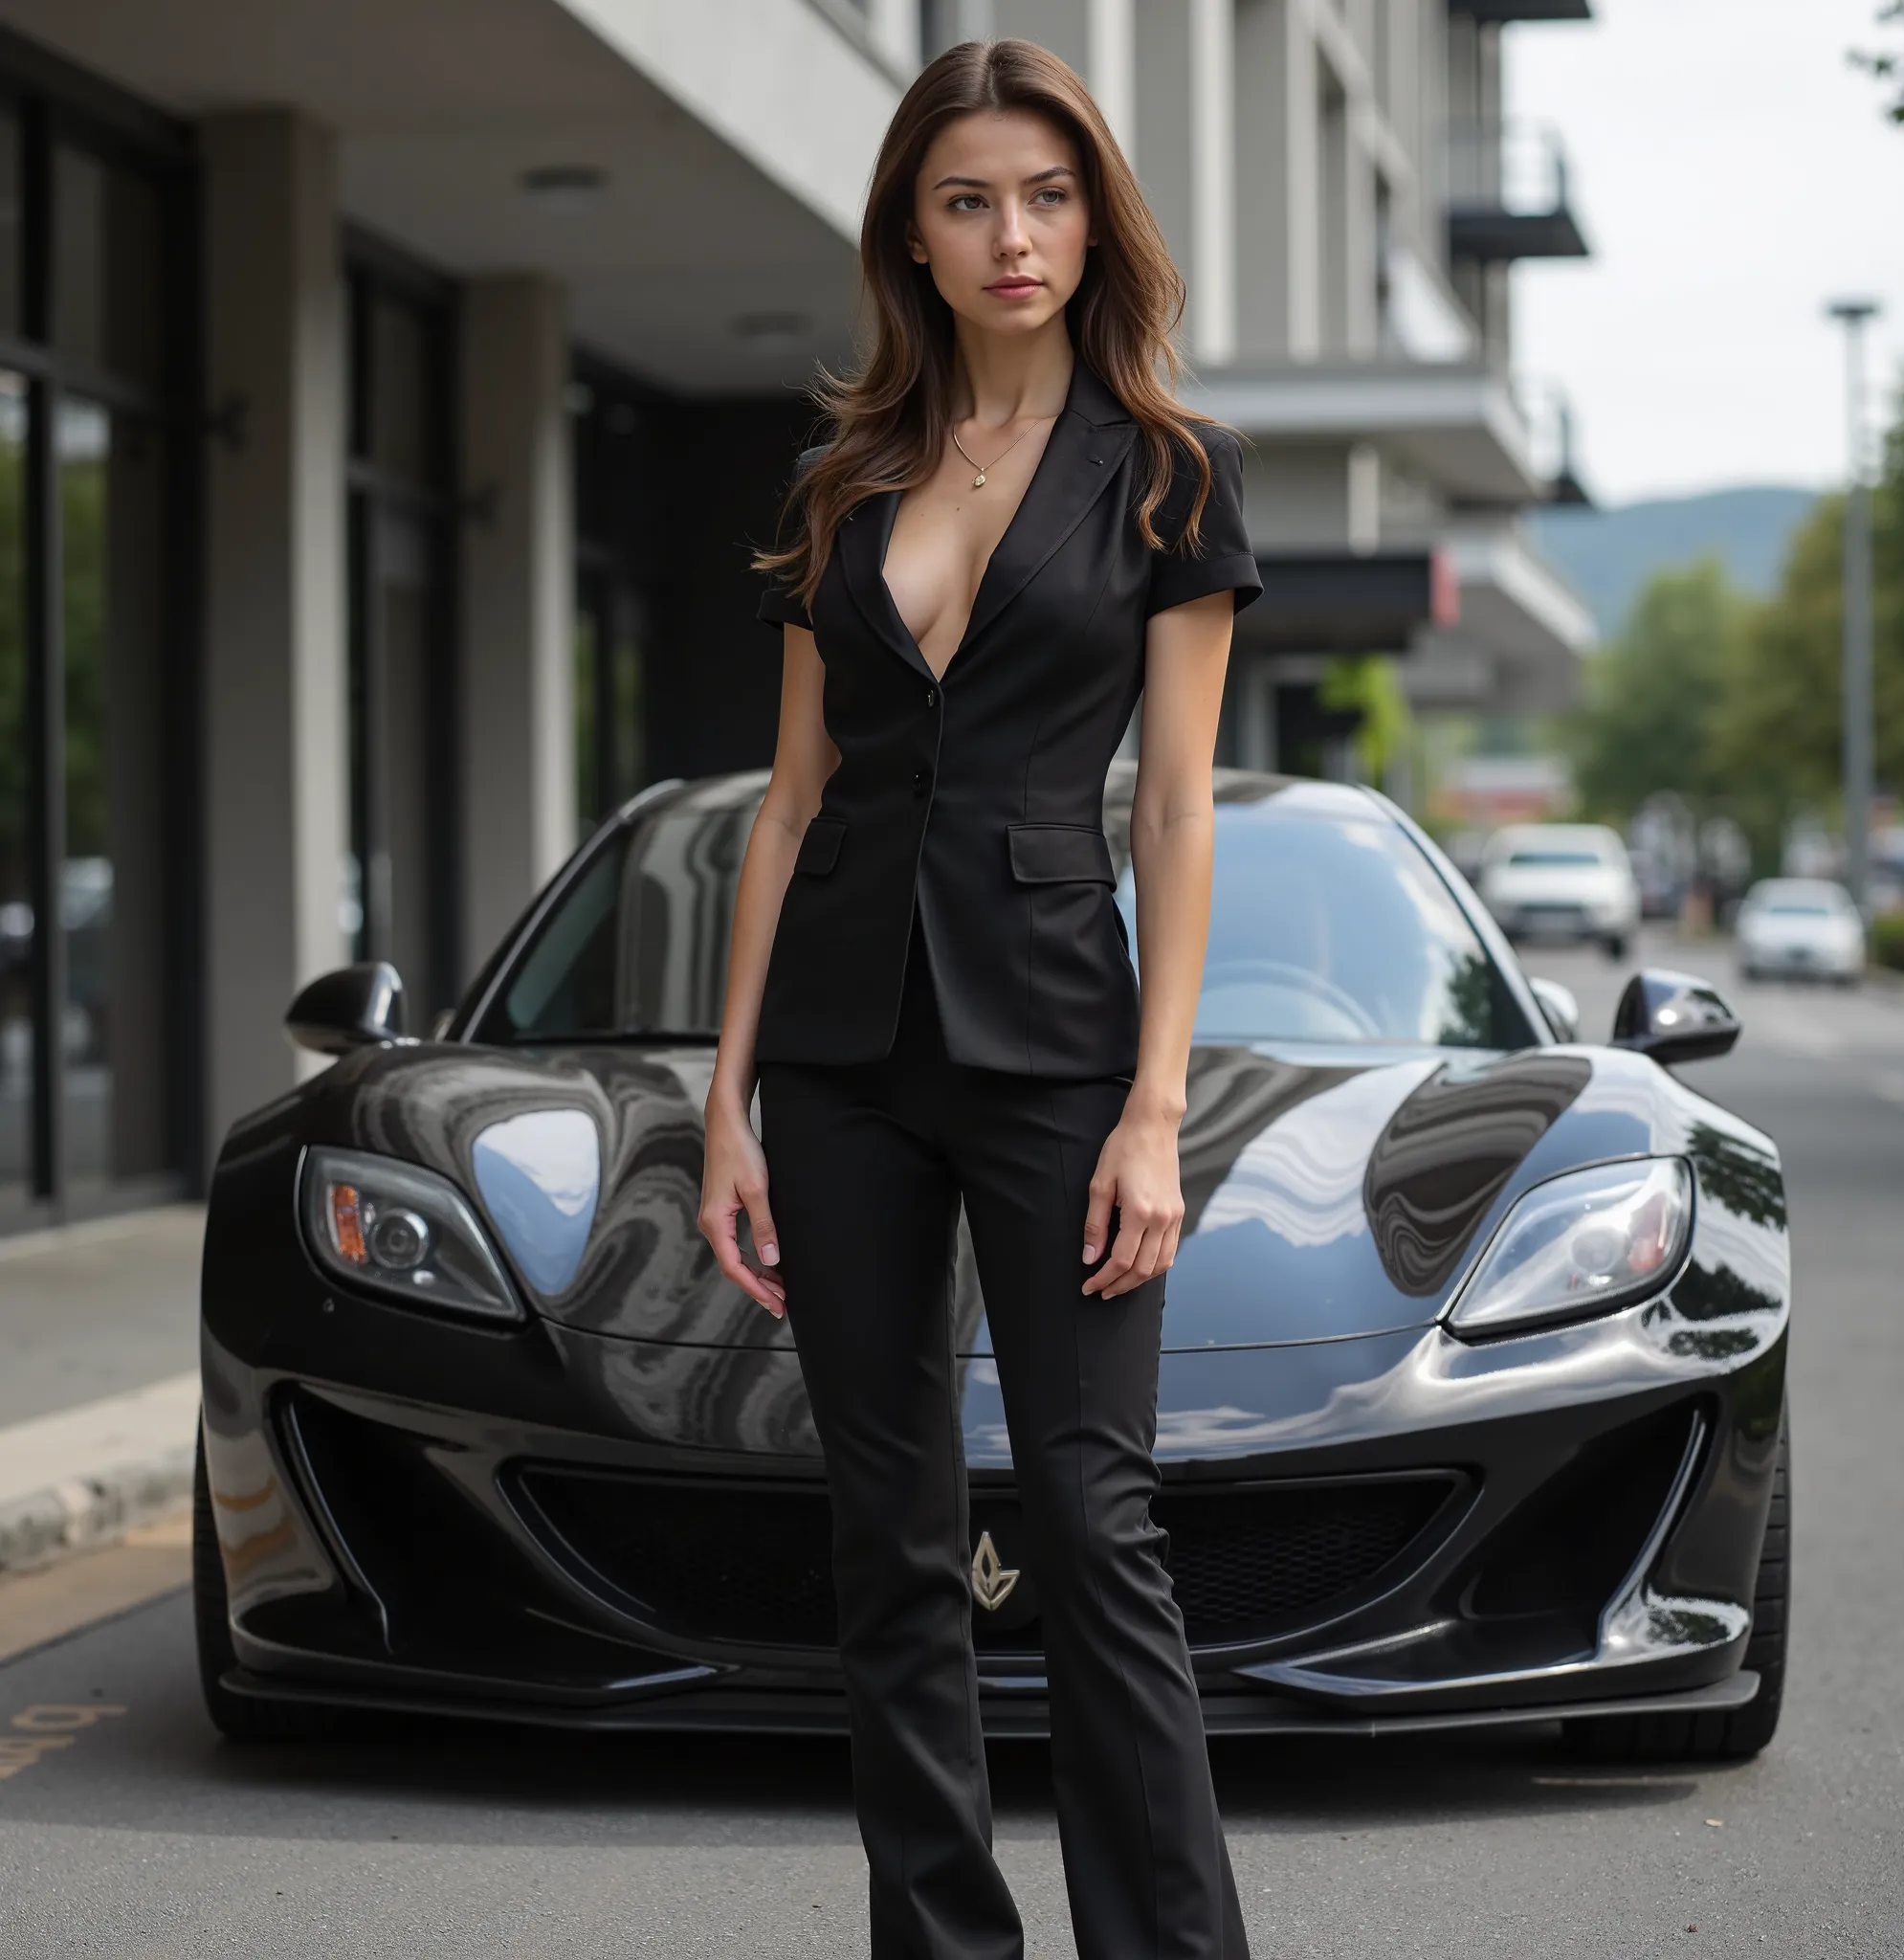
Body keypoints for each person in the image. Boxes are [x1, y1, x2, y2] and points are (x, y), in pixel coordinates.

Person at [697, 36, 1261, 1960]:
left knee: (1098, 1528)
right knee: (893, 1541)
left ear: (1091, 220)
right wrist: (725, 1105)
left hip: (1058, 1053)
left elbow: (1175, 808)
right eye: (966, 200)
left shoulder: (1167, 474)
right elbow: (787, 810)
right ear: (911, 242)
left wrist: (1156, 1106)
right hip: (839, 1071)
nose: (1011, 233)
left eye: (1043, 193)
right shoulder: (840, 478)